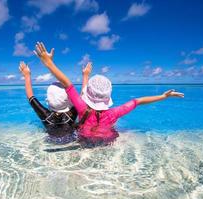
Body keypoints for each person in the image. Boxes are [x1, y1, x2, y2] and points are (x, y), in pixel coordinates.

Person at [33, 42, 184, 145]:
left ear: (88, 97)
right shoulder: (114, 113)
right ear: (107, 96)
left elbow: (67, 83)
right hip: (107, 142)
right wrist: (164, 96)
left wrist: (48, 63)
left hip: (84, 141)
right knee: (121, 131)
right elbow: (139, 101)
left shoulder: (81, 108)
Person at [19, 60, 93, 144]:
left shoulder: (45, 115)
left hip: (51, 141)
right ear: (69, 100)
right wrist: (85, 75)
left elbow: (30, 97)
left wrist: (27, 75)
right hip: (71, 140)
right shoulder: (73, 112)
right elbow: (83, 96)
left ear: (47, 100)